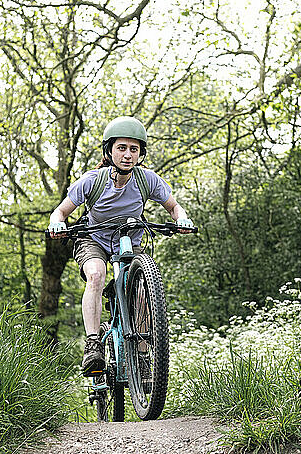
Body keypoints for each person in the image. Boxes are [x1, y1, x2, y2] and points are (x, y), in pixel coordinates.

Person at [48, 116, 194, 375]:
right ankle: (93, 345)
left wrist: (181, 218)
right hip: (94, 239)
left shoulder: (146, 179)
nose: (127, 155)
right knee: (96, 274)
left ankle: (142, 353)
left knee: (141, 289)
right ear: (109, 150)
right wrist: (57, 224)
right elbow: (60, 212)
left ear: (140, 154)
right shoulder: (92, 180)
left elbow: (173, 206)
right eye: (121, 148)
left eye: (134, 149)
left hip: (129, 241)